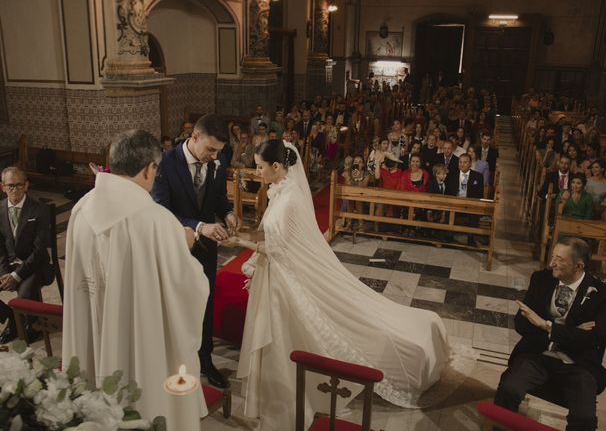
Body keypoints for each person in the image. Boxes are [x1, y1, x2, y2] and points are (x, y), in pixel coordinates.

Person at [221, 140, 449, 431]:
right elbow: (272, 235)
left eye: (260, 166)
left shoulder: (290, 198)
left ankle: (288, 396)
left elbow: (280, 250)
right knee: (281, 336)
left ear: (276, 167)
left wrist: (239, 242)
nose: (257, 171)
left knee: (287, 334)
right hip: (276, 275)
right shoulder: (279, 191)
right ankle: (274, 392)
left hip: (283, 275)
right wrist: (243, 232)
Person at [62, 131, 209, 429]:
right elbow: (188, 288)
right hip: (140, 342)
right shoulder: (156, 220)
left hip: (93, 331)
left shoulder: (81, 209)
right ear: (148, 168)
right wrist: (186, 244)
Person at [151, 114, 240, 389]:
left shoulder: (217, 160)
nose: (214, 157)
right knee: (175, 302)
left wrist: (227, 213)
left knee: (205, 300)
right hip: (174, 246)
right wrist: (201, 226)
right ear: (194, 137)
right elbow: (161, 211)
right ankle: (174, 357)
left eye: (218, 152)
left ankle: (205, 359)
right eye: (210, 149)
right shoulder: (165, 163)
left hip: (206, 249)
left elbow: (218, 197)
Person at [494, 238, 606, 431]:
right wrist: (574, 333)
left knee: (584, 418)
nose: (552, 263)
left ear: (578, 265)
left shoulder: (603, 294)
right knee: (508, 389)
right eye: (553, 256)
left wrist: (546, 326)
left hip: (578, 364)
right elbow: (522, 323)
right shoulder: (541, 279)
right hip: (537, 354)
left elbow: (594, 339)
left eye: (559, 259)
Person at [0, 167, 53, 344]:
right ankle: (13, 319)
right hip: (8, 265)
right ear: (2, 187)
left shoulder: (40, 210)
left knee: (24, 295)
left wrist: (17, 275)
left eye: (19, 185)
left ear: (26, 185)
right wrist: (4, 273)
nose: (14, 189)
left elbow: (39, 251)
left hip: (34, 265)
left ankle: (31, 326)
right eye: (10, 186)